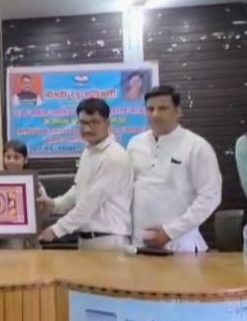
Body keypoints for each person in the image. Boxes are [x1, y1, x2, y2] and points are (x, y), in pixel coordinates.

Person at [128, 86, 222, 252]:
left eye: (163, 108)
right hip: (140, 244)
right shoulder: (135, 144)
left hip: (181, 245)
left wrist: (170, 232)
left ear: (178, 112)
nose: (156, 114)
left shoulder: (197, 146)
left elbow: (210, 196)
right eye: (150, 109)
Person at [37, 98, 133, 250]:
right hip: (86, 239)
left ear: (107, 123)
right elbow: (79, 189)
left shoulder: (114, 157)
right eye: (83, 122)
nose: (87, 128)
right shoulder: (88, 152)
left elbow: (91, 202)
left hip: (109, 241)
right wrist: (55, 205)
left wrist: (57, 230)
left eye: (94, 122)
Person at [1, 140, 46, 249]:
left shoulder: (35, 184)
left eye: (16, 157)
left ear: (25, 160)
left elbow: (44, 210)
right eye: (8, 157)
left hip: (29, 239)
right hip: (5, 239)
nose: (11, 161)